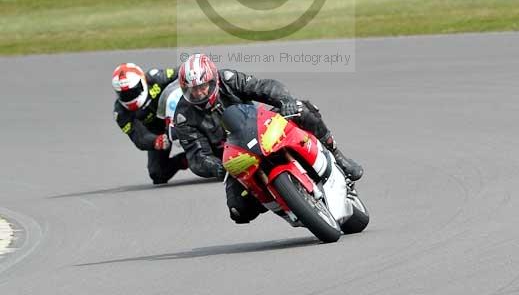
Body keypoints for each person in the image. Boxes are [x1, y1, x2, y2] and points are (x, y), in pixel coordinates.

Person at [168, 53, 363, 224]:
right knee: (239, 211)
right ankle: (282, 201)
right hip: (235, 160)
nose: (199, 93)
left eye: (203, 87)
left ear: (214, 81)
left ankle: (338, 157)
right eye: (193, 90)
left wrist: (284, 101)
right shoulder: (183, 117)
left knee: (302, 109)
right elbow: (197, 157)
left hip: (260, 129)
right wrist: (218, 167)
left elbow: (263, 87)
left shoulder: (228, 79)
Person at [112, 62, 188, 185]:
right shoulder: (121, 113)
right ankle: (188, 159)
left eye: (133, 91)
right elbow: (138, 137)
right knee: (157, 174)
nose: (129, 97)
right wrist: (156, 141)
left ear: (142, 82)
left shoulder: (155, 78)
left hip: (179, 114)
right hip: (158, 132)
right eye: (124, 94)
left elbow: (182, 72)